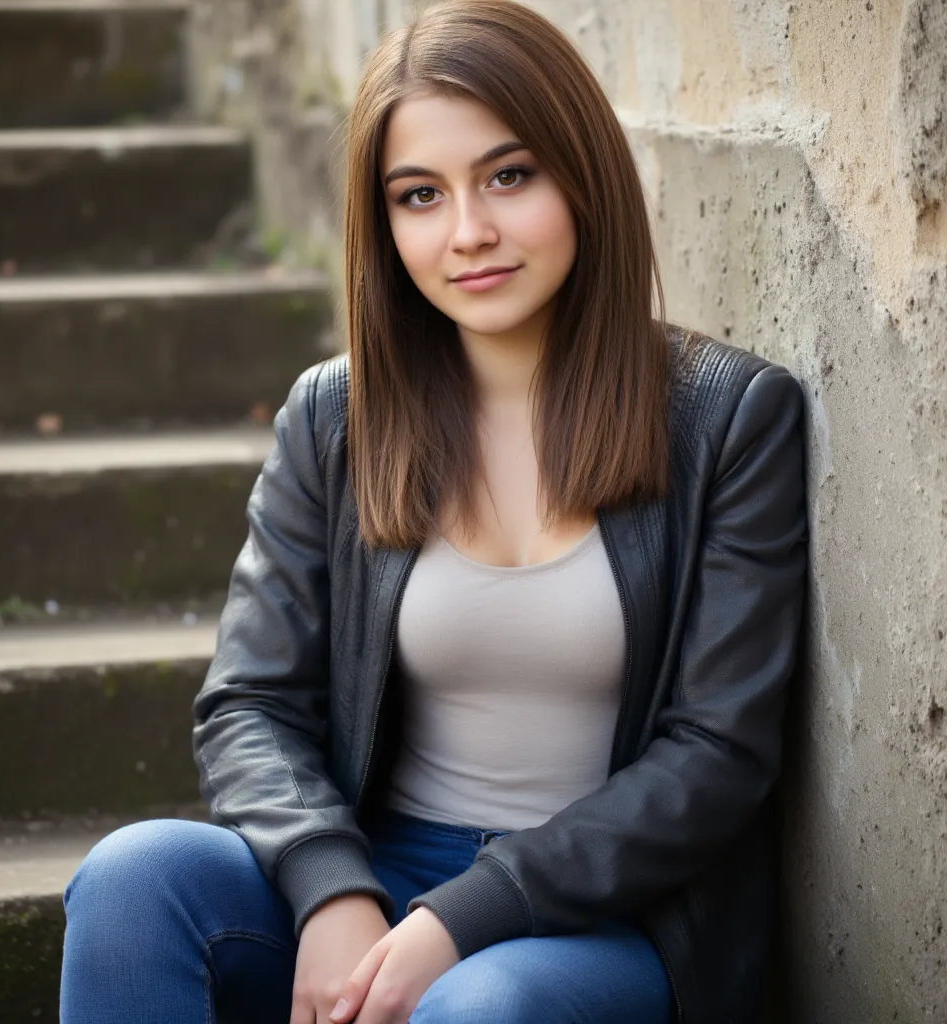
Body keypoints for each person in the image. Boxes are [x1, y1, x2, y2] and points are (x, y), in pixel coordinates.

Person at [59, 1, 808, 1021]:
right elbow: (250, 706)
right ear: (384, 221)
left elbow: (716, 754)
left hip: (600, 916)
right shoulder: (336, 417)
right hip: (374, 868)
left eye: (509, 175)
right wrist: (331, 889)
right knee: (135, 877)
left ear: (581, 173)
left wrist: (458, 919)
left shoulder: (726, 418)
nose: (469, 232)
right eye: (419, 194)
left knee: (480, 1007)